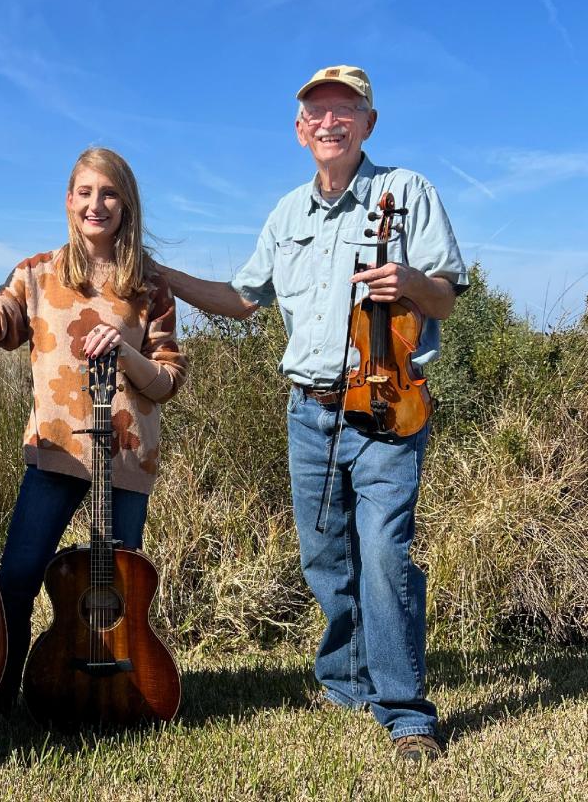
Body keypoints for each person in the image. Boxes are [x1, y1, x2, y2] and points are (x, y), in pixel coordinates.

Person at [157, 66, 467, 761]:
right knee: (325, 558)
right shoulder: (287, 212)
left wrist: (412, 282)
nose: (330, 122)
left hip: (388, 406)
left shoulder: (407, 192)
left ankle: (406, 712)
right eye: (316, 113)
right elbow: (242, 300)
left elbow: (445, 296)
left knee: (385, 556)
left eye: (344, 110)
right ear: (300, 132)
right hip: (310, 413)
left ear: (368, 123)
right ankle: (346, 681)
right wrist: (164, 276)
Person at [0, 147, 187, 709]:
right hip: (55, 452)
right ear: (69, 200)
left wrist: (125, 351)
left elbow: (167, 380)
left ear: (127, 203)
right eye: (85, 192)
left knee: (114, 590)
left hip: (125, 459)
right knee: (18, 579)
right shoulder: (38, 273)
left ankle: (111, 691)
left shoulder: (149, 286)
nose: (96, 204)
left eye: (109, 193)